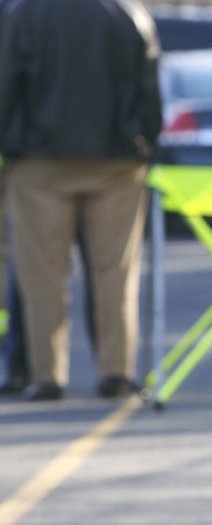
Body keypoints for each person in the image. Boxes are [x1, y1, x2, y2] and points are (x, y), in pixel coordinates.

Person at [0, 0, 162, 401]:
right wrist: (145, 141)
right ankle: (116, 372)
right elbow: (149, 85)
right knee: (116, 271)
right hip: (117, 160)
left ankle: (46, 375)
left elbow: (7, 82)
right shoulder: (129, 13)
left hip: (40, 160)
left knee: (42, 273)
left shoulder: (25, 13)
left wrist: (10, 145)